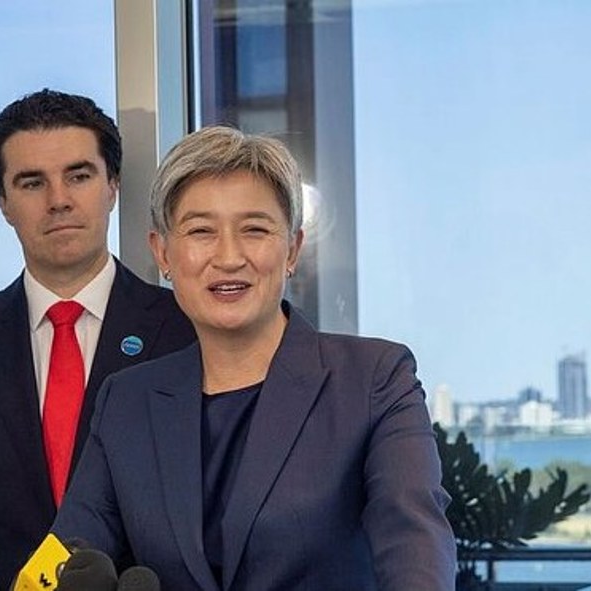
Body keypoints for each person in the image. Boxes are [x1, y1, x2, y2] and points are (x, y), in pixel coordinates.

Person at [51, 126, 456, 590]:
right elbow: (61, 560)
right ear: (162, 253)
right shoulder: (126, 400)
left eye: (255, 230)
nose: (229, 257)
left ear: (292, 250)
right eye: (201, 231)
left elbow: (415, 548)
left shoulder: (373, 380)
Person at [0, 89, 196, 590]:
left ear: (113, 186)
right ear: (3, 204)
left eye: (79, 175)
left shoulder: (187, 331)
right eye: (32, 183)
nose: (59, 200)